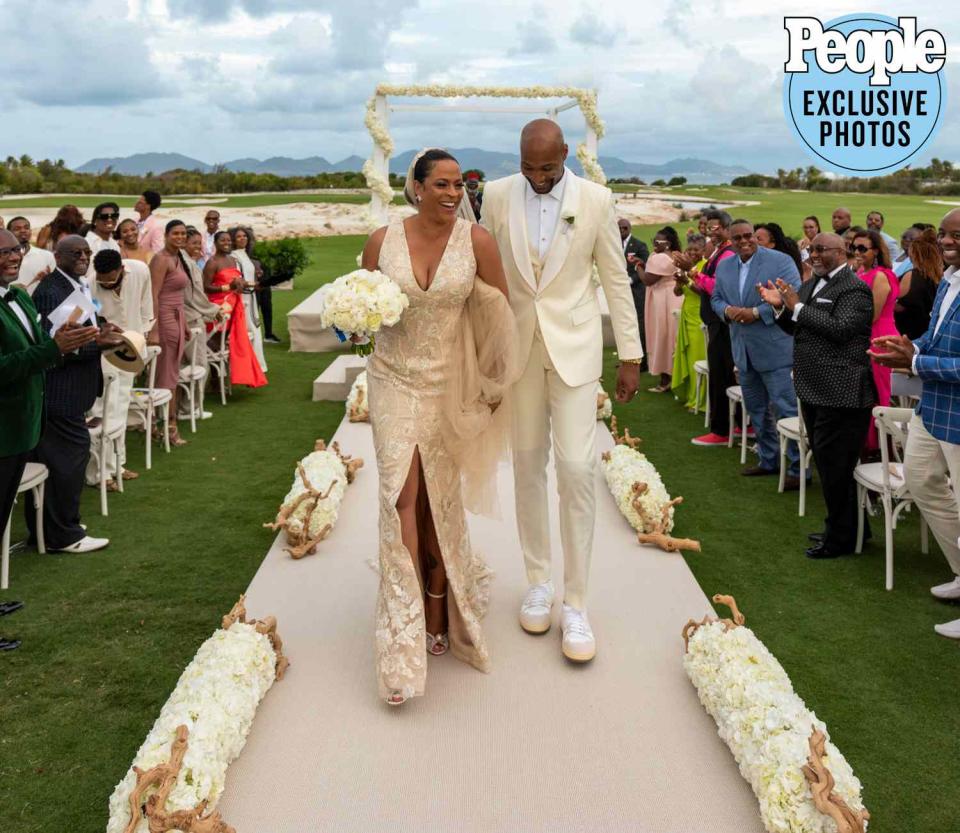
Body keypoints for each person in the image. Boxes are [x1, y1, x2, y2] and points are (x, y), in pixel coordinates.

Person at [361, 148, 519, 704]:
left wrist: (493, 386)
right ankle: (401, 633)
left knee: (438, 503)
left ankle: (439, 604)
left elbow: (499, 312)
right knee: (398, 498)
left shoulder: (477, 243)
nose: (455, 194)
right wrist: (352, 323)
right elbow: (364, 304)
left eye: (461, 185)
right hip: (392, 380)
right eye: (444, 184)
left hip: (450, 384)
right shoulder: (383, 242)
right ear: (417, 186)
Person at [481, 119, 642, 664]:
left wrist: (631, 354)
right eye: (529, 167)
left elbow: (615, 280)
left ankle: (577, 604)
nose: (539, 178)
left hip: (575, 352)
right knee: (526, 467)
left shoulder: (596, 199)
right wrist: (485, 352)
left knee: (576, 470)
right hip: (518, 352)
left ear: (565, 156)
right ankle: (538, 583)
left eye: (547, 168)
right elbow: (487, 280)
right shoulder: (497, 195)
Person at [1, 229, 99, 650]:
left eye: (16, 250)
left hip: (26, 425)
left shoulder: (20, 296)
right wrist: (51, 350)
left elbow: (43, 345)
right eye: (4, 251)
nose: (14, 257)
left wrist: (69, 344)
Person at [871, 208, 960, 639]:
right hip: (934, 408)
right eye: (943, 233)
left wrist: (917, 360)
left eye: (955, 235)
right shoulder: (948, 280)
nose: (946, 241)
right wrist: (908, 344)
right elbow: (937, 337)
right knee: (921, 480)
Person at [760, 232, 875, 558]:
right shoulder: (812, 284)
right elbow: (798, 327)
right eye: (811, 250)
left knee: (836, 467)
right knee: (829, 466)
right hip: (814, 389)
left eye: (821, 249)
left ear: (841, 252)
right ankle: (852, 530)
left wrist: (795, 306)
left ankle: (839, 539)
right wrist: (782, 309)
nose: (813, 254)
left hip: (842, 393)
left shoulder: (855, 288)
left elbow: (840, 330)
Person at [30, 235, 123, 553]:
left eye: (87, 252)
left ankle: (54, 527)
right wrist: (98, 344)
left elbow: (86, 322)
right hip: (60, 392)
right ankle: (64, 535)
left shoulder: (77, 284)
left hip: (75, 391)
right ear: (57, 256)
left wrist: (104, 329)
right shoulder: (50, 290)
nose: (83, 256)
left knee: (65, 462)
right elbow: (52, 344)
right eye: (76, 252)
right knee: (66, 463)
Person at [713, 220, 802, 484]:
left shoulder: (780, 261)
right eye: (737, 237)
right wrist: (728, 311)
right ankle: (769, 460)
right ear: (730, 240)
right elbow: (716, 298)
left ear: (755, 236)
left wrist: (756, 313)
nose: (744, 241)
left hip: (776, 351)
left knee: (786, 410)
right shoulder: (725, 265)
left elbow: (793, 295)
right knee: (757, 410)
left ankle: (798, 470)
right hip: (743, 352)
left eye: (748, 236)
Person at [86, 249, 153, 487]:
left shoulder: (140, 270)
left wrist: (142, 341)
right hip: (104, 355)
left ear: (122, 270)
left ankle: (117, 465)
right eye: (103, 282)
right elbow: (92, 319)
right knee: (102, 412)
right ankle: (98, 475)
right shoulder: (90, 283)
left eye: (111, 280)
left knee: (121, 409)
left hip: (132, 349)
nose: (106, 285)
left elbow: (146, 306)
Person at [680, 208, 739, 446]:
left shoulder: (727, 254)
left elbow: (718, 288)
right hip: (715, 322)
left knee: (722, 376)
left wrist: (692, 271)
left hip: (722, 323)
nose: (711, 232)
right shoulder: (717, 252)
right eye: (709, 227)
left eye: (717, 228)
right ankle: (728, 426)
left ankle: (722, 431)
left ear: (727, 229)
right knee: (720, 374)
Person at [851, 229, 899, 451]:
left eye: (863, 248)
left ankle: (877, 449)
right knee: (863, 392)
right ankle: (864, 442)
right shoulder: (860, 272)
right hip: (863, 337)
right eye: (854, 247)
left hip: (878, 338)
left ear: (876, 251)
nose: (857, 252)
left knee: (877, 393)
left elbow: (874, 315)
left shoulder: (880, 275)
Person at [202, 231, 267, 388]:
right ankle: (216, 379)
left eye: (228, 241)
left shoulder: (232, 260)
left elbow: (236, 280)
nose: (227, 243)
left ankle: (235, 376)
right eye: (223, 240)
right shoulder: (212, 262)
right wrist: (227, 287)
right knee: (216, 343)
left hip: (235, 304)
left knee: (235, 343)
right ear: (216, 243)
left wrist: (246, 283)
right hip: (220, 306)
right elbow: (206, 287)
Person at [148, 221, 190, 447]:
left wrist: (184, 325)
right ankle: (168, 427)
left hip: (177, 318)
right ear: (165, 235)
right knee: (167, 374)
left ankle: (159, 424)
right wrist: (154, 328)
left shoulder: (177, 257)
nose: (180, 237)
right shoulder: (161, 259)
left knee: (171, 372)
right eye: (176, 233)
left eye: (183, 233)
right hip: (164, 319)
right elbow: (153, 294)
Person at [179, 227, 222, 417]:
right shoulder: (186, 265)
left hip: (189, 317)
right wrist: (213, 311)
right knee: (199, 364)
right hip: (191, 320)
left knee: (185, 364)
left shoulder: (187, 262)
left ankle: (185, 406)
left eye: (200, 243)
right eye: (194, 243)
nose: (198, 246)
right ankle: (190, 408)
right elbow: (194, 296)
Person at [640, 230, 683, 392]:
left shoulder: (659, 257)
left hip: (663, 300)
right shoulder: (675, 255)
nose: (655, 244)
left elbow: (648, 280)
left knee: (662, 336)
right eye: (654, 241)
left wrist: (638, 266)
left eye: (659, 242)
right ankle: (674, 377)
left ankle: (665, 379)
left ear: (668, 244)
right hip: (676, 298)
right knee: (673, 336)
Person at [670, 233, 708, 410]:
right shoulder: (685, 267)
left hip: (699, 317)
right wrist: (679, 283)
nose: (692, 252)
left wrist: (688, 279)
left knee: (698, 358)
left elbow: (704, 291)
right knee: (686, 357)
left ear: (703, 250)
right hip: (686, 315)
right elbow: (678, 293)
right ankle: (689, 394)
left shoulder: (703, 267)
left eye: (696, 249)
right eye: (689, 249)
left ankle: (700, 400)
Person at [227, 226, 268, 372]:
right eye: (238, 236)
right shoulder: (233, 256)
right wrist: (252, 284)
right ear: (233, 239)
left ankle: (257, 365)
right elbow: (236, 279)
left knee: (255, 330)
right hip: (242, 298)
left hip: (251, 297)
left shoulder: (244, 254)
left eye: (244, 236)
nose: (242, 238)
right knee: (246, 332)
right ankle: (247, 367)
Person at [895, 228, 943, 339]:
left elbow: (902, 305)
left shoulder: (913, 275)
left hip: (907, 332)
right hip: (927, 331)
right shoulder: (939, 275)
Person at [619, 217, 649, 365]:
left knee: (639, 324)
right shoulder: (613, 244)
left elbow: (645, 266)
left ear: (629, 228)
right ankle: (627, 359)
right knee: (624, 324)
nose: (621, 231)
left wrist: (631, 279)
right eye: (619, 228)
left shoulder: (639, 245)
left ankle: (642, 361)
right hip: (620, 292)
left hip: (636, 291)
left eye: (624, 228)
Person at [8, 217, 55, 296]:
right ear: (8, 233)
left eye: (26, 228)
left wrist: (47, 280)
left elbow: (55, 284)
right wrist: (12, 288)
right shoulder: (2, 258)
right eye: (17, 229)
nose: (23, 230)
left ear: (30, 231)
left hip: (39, 306)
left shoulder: (47, 256)